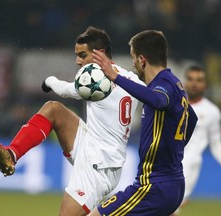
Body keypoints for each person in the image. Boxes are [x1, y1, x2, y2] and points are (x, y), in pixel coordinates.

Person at [0, 26, 144, 216]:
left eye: (82, 55)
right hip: (91, 145)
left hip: (99, 167)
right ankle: (12, 154)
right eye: (77, 55)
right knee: (54, 109)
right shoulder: (131, 79)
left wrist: (49, 81)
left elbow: (65, 89)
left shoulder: (95, 81)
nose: (78, 61)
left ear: (99, 54)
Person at [89, 30, 198, 216]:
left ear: (142, 60)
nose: (133, 64)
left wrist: (115, 77)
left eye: (133, 58)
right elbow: (192, 118)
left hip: (153, 186)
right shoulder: (175, 84)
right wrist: (172, 149)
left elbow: (159, 101)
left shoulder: (161, 86)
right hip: (173, 183)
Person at [172, 65, 221, 215]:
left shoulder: (212, 112)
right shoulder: (173, 103)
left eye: (199, 80)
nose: (194, 83)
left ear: (205, 85)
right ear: (184, 82)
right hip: (166, 162)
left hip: (188, 167)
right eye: (190, 79)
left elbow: (215, 142)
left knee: (171, 209)